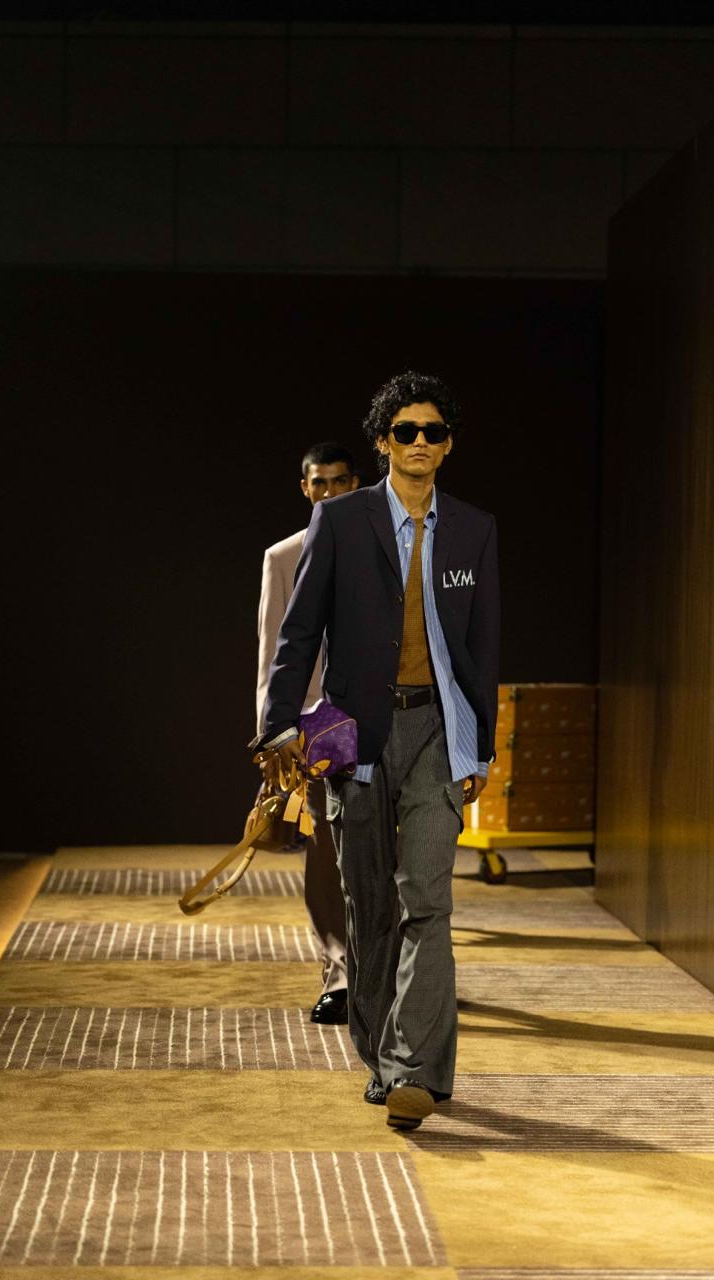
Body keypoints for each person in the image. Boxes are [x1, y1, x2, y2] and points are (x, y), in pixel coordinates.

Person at [256, 371, 500, 1131]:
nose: (419, 442)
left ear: (448, 445)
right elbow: (299, 632)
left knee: (428, 899)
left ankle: (413, 1070)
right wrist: (278, 725)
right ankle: (382, 1057)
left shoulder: (473, 529)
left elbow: (482, 645)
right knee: (370, 908)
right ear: (382, 442)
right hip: (358, 736)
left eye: (433, 431)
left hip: (438, 731)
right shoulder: (340, 521)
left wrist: (480, 749)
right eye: (405, 431)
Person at [255, 441, 359, 1024]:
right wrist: (273, 737)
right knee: (325, 853)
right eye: (319, 483)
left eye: (339, 481)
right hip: (318, 727)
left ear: (355, 485)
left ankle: (394, 972)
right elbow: (273, 651)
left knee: (388, 851)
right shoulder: (283, 557)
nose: (329, 492)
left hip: (385, 717)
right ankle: (339, 976)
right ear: (305, 488)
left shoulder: (387, 548)